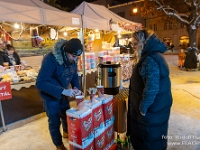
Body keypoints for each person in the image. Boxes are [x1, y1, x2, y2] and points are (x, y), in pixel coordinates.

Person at [127, 29, 173, 150]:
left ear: (144, 43)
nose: (133, 47)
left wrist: (143, 108)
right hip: (157, 109)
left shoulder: (149, 60)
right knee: (155, 139)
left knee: (148, 142)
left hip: (151, 112)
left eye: (135, 43)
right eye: (132, 44)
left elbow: (152, 88)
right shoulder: (155, 55)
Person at [36, 38, 83, 150]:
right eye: (73, 56)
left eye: (77, 57)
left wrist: (76, 87)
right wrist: (63, 91)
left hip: (63, 92)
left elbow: (74, 75)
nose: (75, 59)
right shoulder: (50, 59)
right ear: (66, 52)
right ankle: (59, 145)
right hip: (50, 95)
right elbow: (40, 83)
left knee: (66, 115)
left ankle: (67, 133)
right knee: (54, 121)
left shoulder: (73, 58)